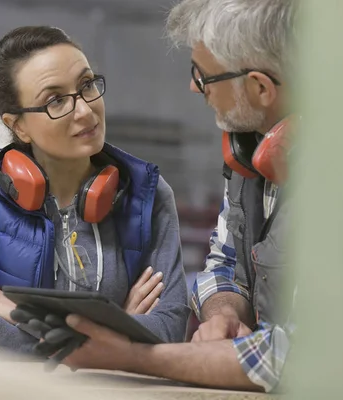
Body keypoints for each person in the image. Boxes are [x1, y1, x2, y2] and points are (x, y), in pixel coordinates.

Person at [58, 0, 298, 393]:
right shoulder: (250, 155)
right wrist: (222, 312)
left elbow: (293, 357)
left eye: (202, 76)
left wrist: (129, 356)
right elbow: (224, 263)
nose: (193, 87)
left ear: (259, 87)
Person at [0, 26, 189, 353]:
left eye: (87, 85)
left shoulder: (147, 195)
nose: (85, 110)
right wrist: (115, 332)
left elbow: (168, 329)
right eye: (55, 100)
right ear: (18, 125)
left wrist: (18, 315)